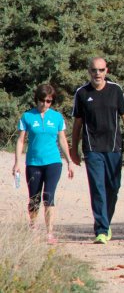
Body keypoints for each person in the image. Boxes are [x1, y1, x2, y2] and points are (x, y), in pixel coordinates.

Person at [70, 57, 124, 244]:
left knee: (113, 188)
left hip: (114, 148)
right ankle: (101, 229)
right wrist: (73, 149)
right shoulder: (82, 93)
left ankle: (106, 221)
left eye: (100, 70)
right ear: (89, 71)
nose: (97, 74)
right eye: (93, 70)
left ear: (106, 70)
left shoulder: (115, 90)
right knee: (98, 188)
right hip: (92, 149)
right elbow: (77, 124)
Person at [12, 84, 74, 244]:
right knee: (34, 198)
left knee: (49, 196)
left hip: (53, 162)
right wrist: (17, 162)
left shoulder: (57, 117)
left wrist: (69, 161)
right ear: (36, 99)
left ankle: (49, 233)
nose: (44, 104)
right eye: (42, 100)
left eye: (48, 101)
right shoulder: (27, 117)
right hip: (33, 163)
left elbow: (62, 139)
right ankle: (32, 227)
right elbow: (20, 140)